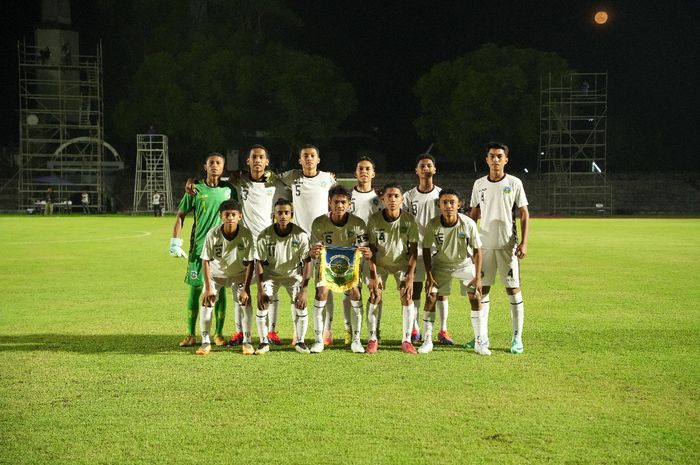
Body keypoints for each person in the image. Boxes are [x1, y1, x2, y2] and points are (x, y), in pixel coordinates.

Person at [468, 141, 529, 354]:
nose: (495, 159)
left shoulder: (514, 183)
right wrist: (468, 242)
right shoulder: (479, 184)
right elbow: (473, 214)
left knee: (512, 290)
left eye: (499, 156)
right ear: (486, 159)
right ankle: (480, 335)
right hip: (483, 246)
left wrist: (524, 242)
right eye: (492, 156)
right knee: (481, 290)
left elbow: (524, 213)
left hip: (507, 246)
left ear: (506, 160)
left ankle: (517, 338)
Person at [170, 153, 236, 348]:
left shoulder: (229, 189)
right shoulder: (195, 189)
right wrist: (175, 241)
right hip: (198, 248)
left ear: (223, 168)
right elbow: (181, 215)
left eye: (218, 163)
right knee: (196, 289)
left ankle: (218, 334)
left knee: (220, 291)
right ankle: (191, 334)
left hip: (222, 250)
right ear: (205, 166)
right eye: (211, 163)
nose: (214, 166)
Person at [277, 145, 337, 344]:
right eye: (305, 156)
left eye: (312, 156)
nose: (309, 159)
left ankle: (327, 330)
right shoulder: (292, 177)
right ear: (299, 160)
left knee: (325, 286)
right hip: (299, 241)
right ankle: (298, 331)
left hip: (322, 239)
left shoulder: (327, 179)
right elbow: (270, 178)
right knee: (298, 287)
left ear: (318, 159)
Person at [419, 188, 488, 355]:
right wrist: (429, 275)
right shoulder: (433, 224)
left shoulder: (468, 223)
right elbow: (427, 249)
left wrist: (477, 277)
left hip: (463, 264)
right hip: (441, 265)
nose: (448, 205)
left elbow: (478, 251)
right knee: (431, 296)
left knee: (476, 295)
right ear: (439, 205)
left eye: (452, 202)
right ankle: (428, 340)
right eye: (445, 202)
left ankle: (480, 341)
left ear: (459, 205)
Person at [308, 185, 373, 353]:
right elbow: (314, 251)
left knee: (355, 294)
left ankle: (356, 339)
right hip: (327, 267)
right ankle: (318, 339)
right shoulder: (319, 222)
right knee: (321, 292)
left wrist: (366, 251)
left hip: (349, 268)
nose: (339, 206)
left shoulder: (358, 223)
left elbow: (364, 248)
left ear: (349, 203)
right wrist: (313, 251)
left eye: (343, 202)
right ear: (329, 202)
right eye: (336, 202)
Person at [331, 156, 382, 346]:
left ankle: (374, 331)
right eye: (360, 168)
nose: (364, 172)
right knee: (350, 291)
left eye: (368, 169)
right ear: (356, 173)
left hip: (372, 252)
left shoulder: (379, 199)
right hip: (349, 252)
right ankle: (348, 329)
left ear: (373, 173)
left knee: (375, 291)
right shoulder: (347, 198)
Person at [402, 154, 451, 344]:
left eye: (429, 165)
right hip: (415, 250)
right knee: (414, 290)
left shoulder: (441, 195)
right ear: (417, 170)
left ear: (434, 170)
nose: (425, 168)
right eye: (422, 166)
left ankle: (443, 330)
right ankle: (414, 329)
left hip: (437, 251)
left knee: (439, 291)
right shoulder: (408, 196)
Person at [197, 199, 256, 355]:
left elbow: (251, 262)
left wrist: (246, 288)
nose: (230, 218)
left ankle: (247, 341)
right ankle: (205, 342)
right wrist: (209, 287)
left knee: (246, 303)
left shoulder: (246, 234)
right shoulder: (212, 234)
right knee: (206, 303)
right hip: (216, 276)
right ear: (221, 216)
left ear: (240, 216)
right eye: (227, 214)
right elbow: (205, 260)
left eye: (233, 214)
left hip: (238, 275)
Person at [366, 183, 419, 353]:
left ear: (402, 199)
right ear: (383, 199)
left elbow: (413, 250)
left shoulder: (409, 220)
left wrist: (410, 276)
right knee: (375, 294)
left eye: (396, 196)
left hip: (401, 264)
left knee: (407, 295)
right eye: (389, 196)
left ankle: (406, 340)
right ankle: (373, 338)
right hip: (380, 264)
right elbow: (371, 250)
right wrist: (373, 276)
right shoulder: (374, 219)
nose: (392, 199)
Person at [256, 198, 313, 354]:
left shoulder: (300, 235)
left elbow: (307, 262)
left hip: (293, 276)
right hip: (271, 276)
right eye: (279, 213)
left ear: (292, 215)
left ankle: (300, 341)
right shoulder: (264, 235)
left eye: (286, 213)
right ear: (274, 214)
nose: (283, 216)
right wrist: (260, 290)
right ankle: (263, 342)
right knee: (263, 304)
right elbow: (258, 262)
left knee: (300, 305)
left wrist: (304, 289)